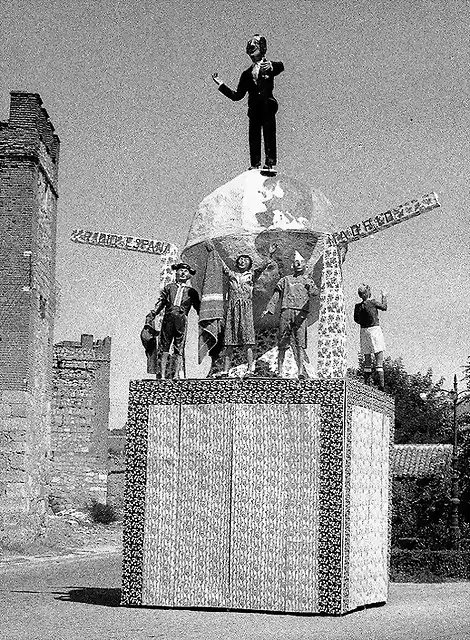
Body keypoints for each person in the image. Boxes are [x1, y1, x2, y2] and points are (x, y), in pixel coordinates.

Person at [212, 34, 284, 171]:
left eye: (254, 47)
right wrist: (221, 84)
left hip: (267, 105)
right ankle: (255, 163)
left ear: (262, 48)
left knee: (269, 134)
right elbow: (237, 95)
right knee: (254, 136)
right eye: (249, 48)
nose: (251, 51)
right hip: (254, 108)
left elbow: (281, 66)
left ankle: (270, 162)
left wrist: (272, 65)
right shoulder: (246, 74)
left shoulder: (268, 66)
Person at [206, 241, 278, 376]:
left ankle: (251, 368)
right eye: (240, 259)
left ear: (249, 264)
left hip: (245, 308)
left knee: (248, 340)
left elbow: (262, 266)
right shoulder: (232, 274)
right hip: (233, 309)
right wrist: (213, 251)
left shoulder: (251, 275)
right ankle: (225, 370)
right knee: (229, 341)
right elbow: (221, 265)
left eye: (245, 260)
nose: (242, 261)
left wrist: (270, 253)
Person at [262, 251, 319, 378]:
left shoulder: (307, 280)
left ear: (305, 266)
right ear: (292, 265)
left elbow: (315, 293)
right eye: (296, 263)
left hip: (301, 314)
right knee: (282, 341)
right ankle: (280, 371)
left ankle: (300, 372)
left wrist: (311, 287)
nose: (298, 264)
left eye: (301, 262)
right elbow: (276, 294)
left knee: (300, 343)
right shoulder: (285, 280)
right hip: (286, 311)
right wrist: (269, 308)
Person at [152, 262, 200, 380]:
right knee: (164, 346)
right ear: (176, 272)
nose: (183, 272)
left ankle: (176, 374)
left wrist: (204, 317)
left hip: (181, 319)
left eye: (186, 271)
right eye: (181, 270)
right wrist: (154, 312)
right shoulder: (169, 287)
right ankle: (162, 375)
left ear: (189, 275)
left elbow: (198, 307)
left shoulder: (191, 292)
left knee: (179, 346)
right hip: (168, 318)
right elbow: (161, 301)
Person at [353, 284, 387, 391]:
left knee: (367, 358)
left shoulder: (358, 307)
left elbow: (356, 320)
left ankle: (367, 385)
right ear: (368, 293)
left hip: (364, 331)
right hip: (375, 329)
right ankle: (381, 386)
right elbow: (384, 307)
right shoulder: (373, 302)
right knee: (379, 359)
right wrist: (384, 296)